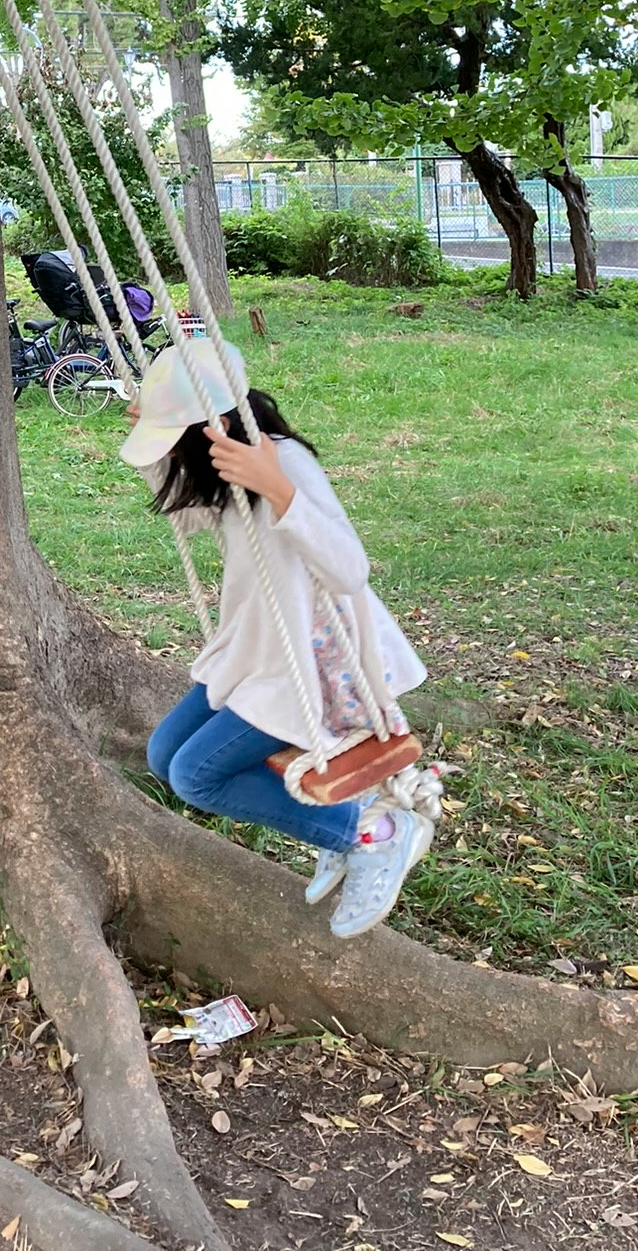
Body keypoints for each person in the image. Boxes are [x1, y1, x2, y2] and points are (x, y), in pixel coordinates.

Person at [123, 338, 432, 939]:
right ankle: (340, 834)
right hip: (254, 650)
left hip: (305, 666)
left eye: (173, 437)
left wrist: (279, 488)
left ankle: (373, 834)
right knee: (164, 756)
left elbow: (348, 569)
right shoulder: (226, 467)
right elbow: (187, 515)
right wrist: (154, 450)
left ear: (209, 426)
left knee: (196, 775)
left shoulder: (280, 462)